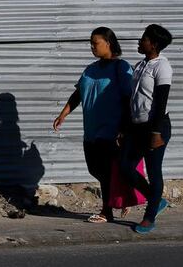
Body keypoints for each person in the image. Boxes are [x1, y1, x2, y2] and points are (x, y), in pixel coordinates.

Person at [52, 27, 133, 223]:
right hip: (91, 130)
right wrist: (64, 113)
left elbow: (128, 98)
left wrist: (124, 128)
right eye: (91, 43)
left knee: (105, 170)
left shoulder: (121, 68)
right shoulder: (90, 69)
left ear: (109, 43)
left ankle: (107, 211)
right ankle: (123, 198)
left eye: (95, 43)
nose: (92, 47)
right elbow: (78, 93)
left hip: (111, 129)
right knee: (94, 169)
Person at [120, 24, 174, 234]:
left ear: (154, 44)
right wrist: (125, 128)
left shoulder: (162, 67)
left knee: (154, 171)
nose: (140, 41)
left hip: (155, 127)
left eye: (144, 39)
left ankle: (149, 217)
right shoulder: (141, 65)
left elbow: (161, 101)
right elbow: (134, 99)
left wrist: (156, 132)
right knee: (125, 167)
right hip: (136, 127)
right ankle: (156, 199)